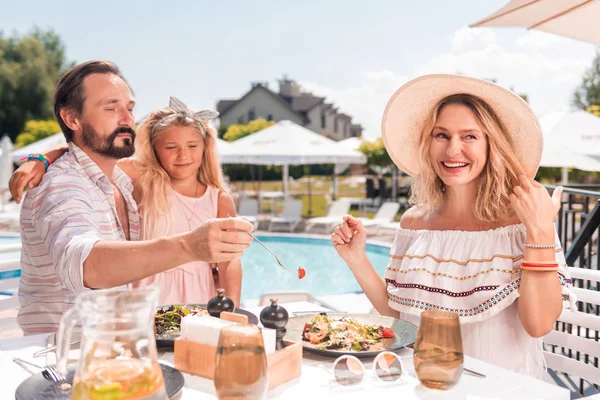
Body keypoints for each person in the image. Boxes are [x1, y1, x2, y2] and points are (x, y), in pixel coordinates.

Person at [331, 74, 576, 378]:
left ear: (491, 145)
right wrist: (356, 259)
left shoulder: (524, 222)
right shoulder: (413, 223)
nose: (452, 151)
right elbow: (399, 314)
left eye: (469, 136)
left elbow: (539, 325)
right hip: (425, 386)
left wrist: (539, 231)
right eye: (441, 135)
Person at [10, 61, 253, 334]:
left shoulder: (122, 183)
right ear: (72, 119)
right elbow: (83, 264)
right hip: (64, 355)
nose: (126, 119)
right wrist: (189, 246)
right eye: (111, 108)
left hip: (120, 344)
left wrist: (46, 155)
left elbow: (84, 149)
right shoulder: (62, 184)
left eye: (130, 108)